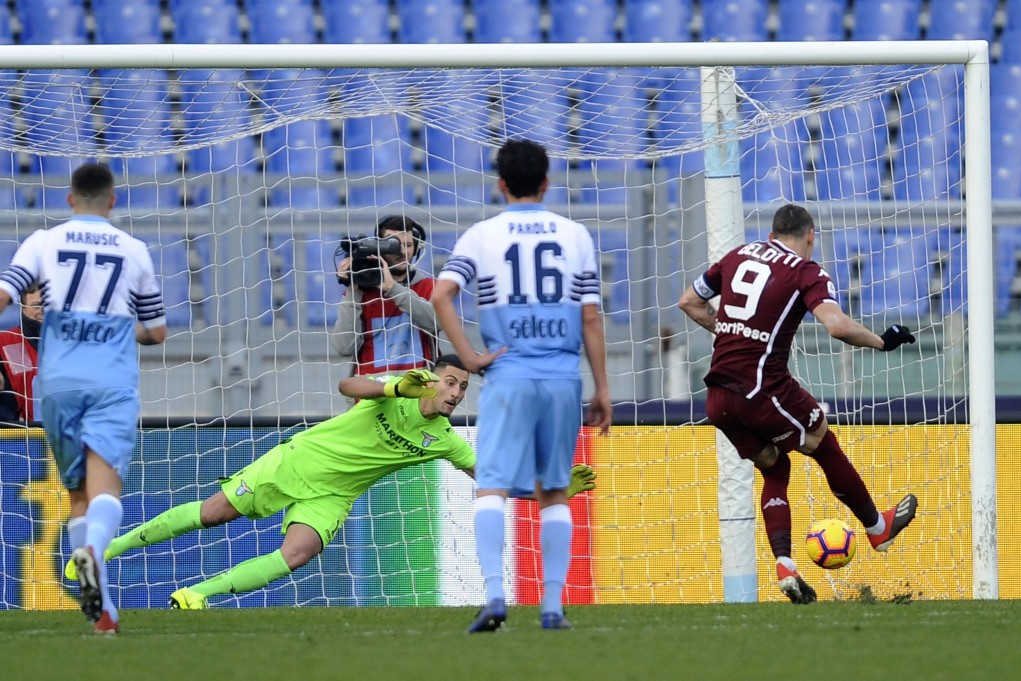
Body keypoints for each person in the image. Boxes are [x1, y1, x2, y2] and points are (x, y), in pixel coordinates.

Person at [64, 355, 598, 610]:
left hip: (333, 494)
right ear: (433, 377)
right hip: (296, 464)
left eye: (463, 387)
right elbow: (348, 384)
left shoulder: (448, 440)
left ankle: (197, 596)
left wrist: (551, 491)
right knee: (212, 514)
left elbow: (493, 481)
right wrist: (391, 386)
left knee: (298, 554)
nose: (457, 393)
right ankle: (101, 552)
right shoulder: (403, 388)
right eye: (452, 381)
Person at [677, 203, 919, 604]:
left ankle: (785, 565)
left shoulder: (736, 256)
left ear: (772, 233)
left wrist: (733, 332)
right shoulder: (805, 270)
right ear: (810, 236)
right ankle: (878, 528)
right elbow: (837, 325)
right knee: (822, 439)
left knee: (776, 464)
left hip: (718, 399)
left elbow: (688, 302)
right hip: (762, 388)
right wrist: (882, 340)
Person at [432, 139, 613, 632]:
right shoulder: (574, 235)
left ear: (501, 184)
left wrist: (469, 356)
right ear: (547, 183)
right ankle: (552, 608)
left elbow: (442, 294)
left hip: (508, 375)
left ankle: (494, 596)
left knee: (490, 486)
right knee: (554, 491)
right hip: (560, 376)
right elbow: (591, 317)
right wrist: (601, 387)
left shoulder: (482, 235)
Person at [0, 162, 167, 633]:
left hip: (55, 382)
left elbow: (6, 295)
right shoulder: (133, 251)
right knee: (106, 489)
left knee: (77, 495)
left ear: (69, 201)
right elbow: (156, 332)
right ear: (112, 202)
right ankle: (93, 553)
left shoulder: (41, 242)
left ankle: (103, 610)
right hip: (109, 380)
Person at [330, 215, 439, 380]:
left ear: (416, 248)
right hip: (372, 394)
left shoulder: (429, 286)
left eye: (408, 245)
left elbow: (436, 323)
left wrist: (392, 289)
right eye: (394, 245)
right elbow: (344, 348)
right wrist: (352, 289)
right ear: (379, 248)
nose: (402, 252)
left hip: (420, 391)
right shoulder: (361, 293)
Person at [0, 284, 43, 422]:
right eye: (37, 306)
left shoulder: (71, 344)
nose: (44, 311)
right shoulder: (4, 341)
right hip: (15, 436)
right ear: (22, 306)